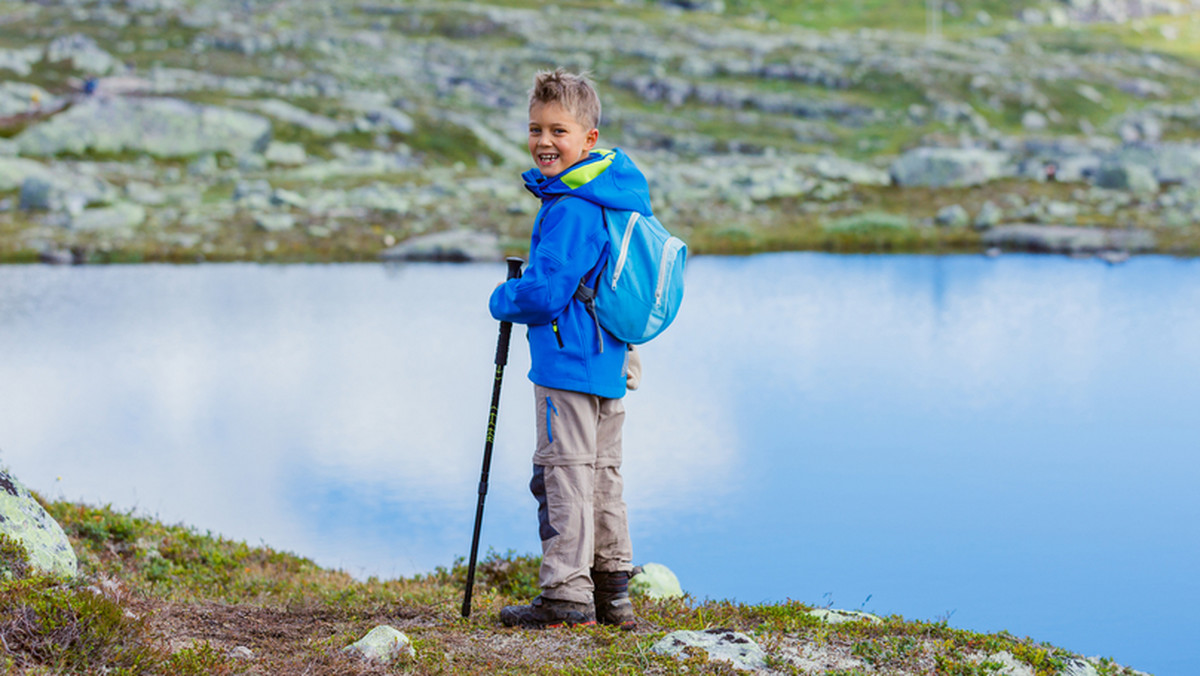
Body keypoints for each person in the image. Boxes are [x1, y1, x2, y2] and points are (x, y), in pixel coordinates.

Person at [488, 68, 649, 630]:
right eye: (536, 129)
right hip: (607, 359)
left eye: (559, 130)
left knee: (564, 473)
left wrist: (502, 297)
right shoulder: (609, 195)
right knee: (603, 474)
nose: (544, 142)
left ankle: (565, 596)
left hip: (567, 362)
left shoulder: (572, 206)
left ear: (589, 139)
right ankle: (613, 593)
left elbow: (547, 293)